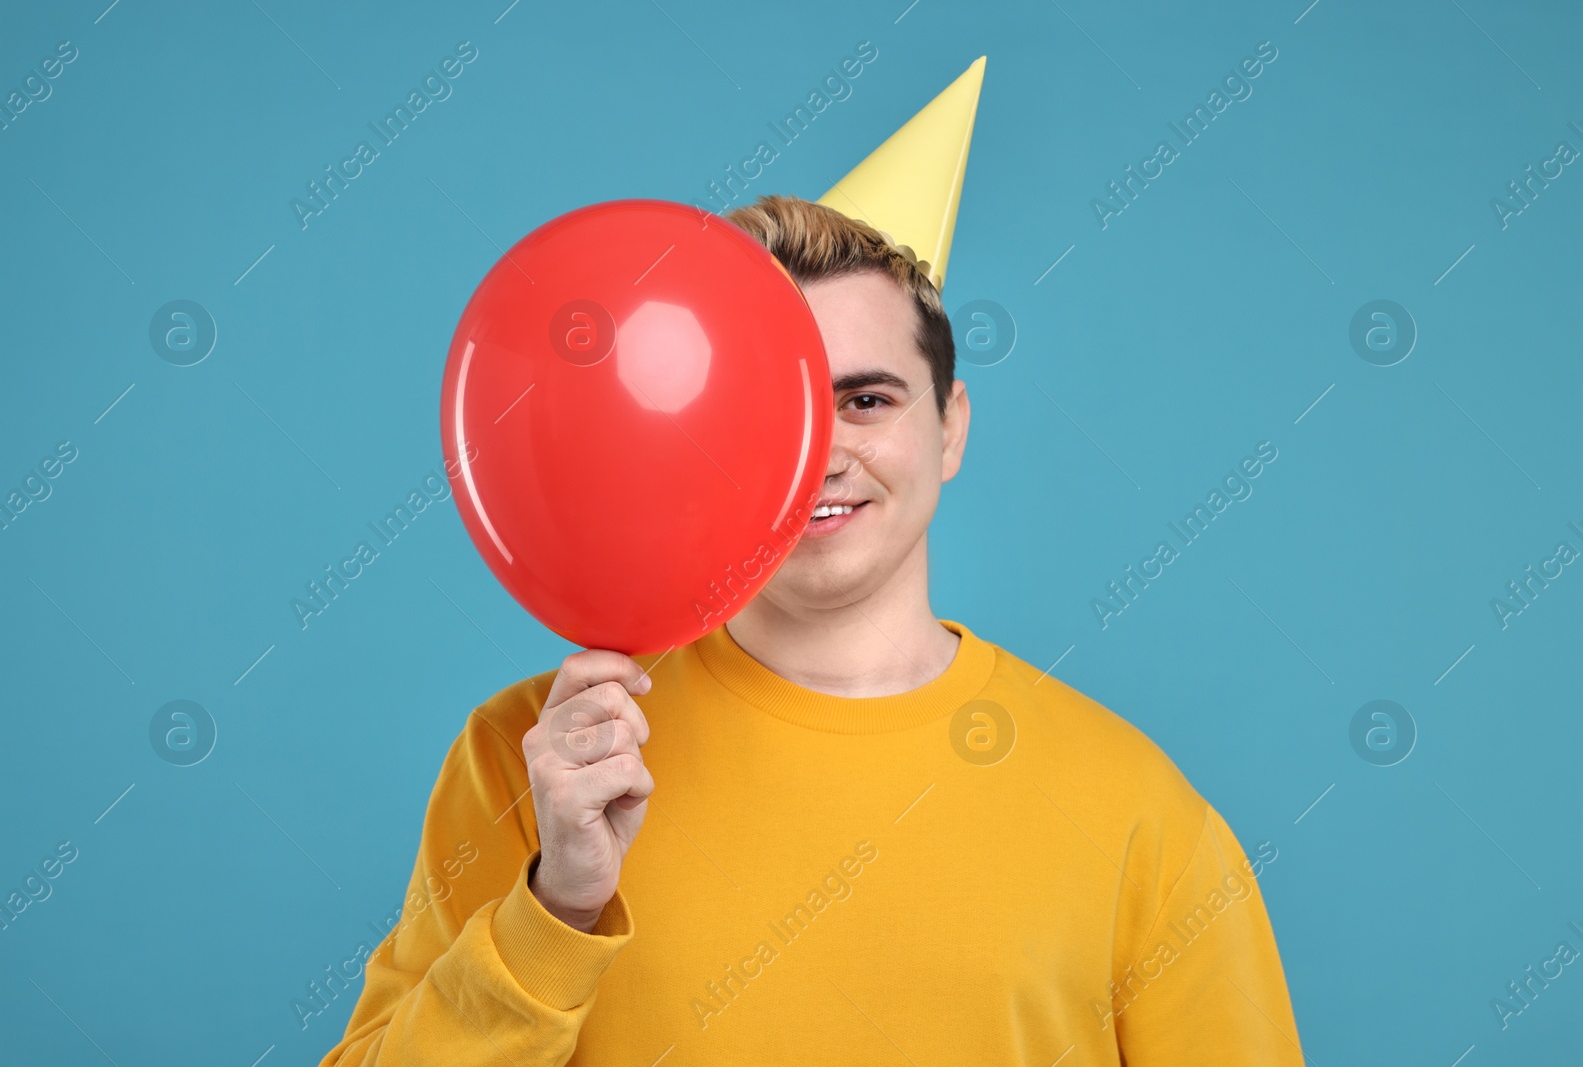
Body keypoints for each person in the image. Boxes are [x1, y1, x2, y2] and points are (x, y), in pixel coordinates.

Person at [320, 60, 1304, 1067]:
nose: (818, 452)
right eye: (766, 408)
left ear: (950, 427)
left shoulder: (1138, 811)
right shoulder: (539, 758)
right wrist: (554, 909)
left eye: (867, 400)